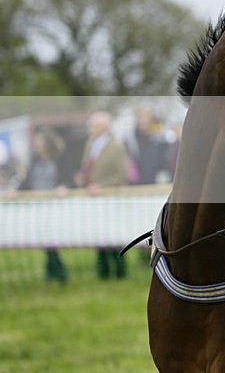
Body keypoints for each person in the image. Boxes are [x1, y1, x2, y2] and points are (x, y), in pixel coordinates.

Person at [77, 111, 130, 279]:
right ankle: (103, 272)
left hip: (110, 200)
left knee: (114, 237)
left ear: (104, 127)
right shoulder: (90, 145)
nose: (90, 129)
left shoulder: (116, 146)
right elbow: (86, 169)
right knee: (98, 236)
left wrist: (102, 186)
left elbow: (122, 175)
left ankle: (120, 272)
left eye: (93, 125)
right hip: (93, 199)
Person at [18, 129, 70, 282]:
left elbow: (67, 179)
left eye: (39, 142)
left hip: (54, 205)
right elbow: (27, 181)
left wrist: (63, 186)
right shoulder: (35, 160)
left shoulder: (59, 159)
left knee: (52, 240)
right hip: (37, 205)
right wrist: (15, 191)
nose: (36, 145)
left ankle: (57, 272)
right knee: (46, 241)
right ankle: (54, 271)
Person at [126, 108, 169, 185]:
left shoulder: (160, 141)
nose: (143, 121)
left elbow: (165, 164)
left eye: (146, 118)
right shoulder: (129, 141)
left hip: (155, 186)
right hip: (134, 187)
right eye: (140, 118)